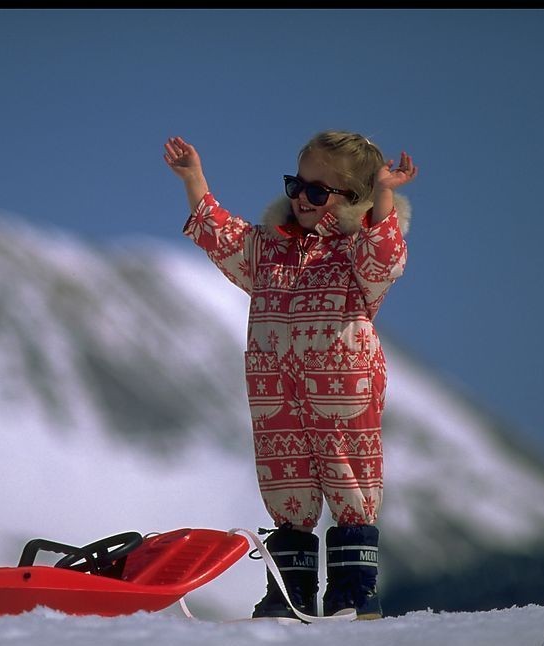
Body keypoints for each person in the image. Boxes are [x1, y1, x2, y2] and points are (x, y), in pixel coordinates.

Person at [163, 131, 417, 620]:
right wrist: (195, 181)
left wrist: (384, 197)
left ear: (350, 199)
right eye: (295, 185)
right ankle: (290, 593)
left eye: (317, 192)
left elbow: (385, 259)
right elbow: (224, 237)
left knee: (350, 479)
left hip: (343, 389)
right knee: (286, 482)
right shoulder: (269, 250)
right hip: (276, 392)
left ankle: (353, 593)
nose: (300, 198)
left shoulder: (355, 253)